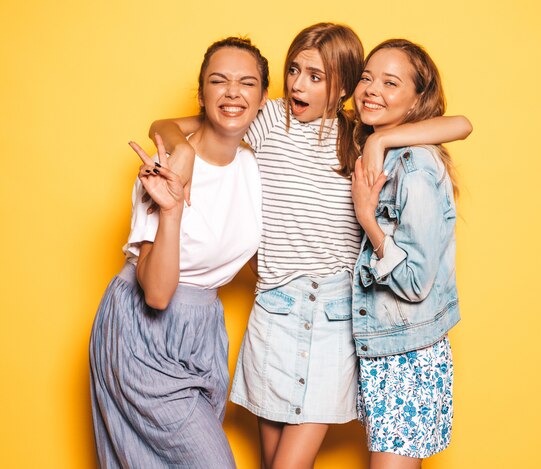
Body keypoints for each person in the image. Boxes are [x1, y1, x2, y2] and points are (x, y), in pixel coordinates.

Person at [150, 23, 471, 469]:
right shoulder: (268, 119)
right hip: (274, 310)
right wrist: (178, 149)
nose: (298, 83)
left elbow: (460, 124)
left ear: (341, 87)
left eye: (316, 77)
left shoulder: (357, 135)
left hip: (335, 314)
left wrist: (381, 138)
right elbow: (167, 126)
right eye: (295, 70)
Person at [89, 37, 269, 468]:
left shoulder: (252, 166)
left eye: (246, 83)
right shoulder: (165, 167)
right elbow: (156, 294)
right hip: (141, 332)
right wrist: (170, 209)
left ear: (263, 99)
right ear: (202, 93)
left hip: (202, 334)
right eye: (218, 81)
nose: (232, 92)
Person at [350, 39, 462, 469]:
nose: (371, 89)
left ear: (418, 99)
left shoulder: (413, 167)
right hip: (389, 346)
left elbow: (416, 283)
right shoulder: (381, 147)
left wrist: (369, 221)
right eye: (366, 78)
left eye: (390, 83)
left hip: (409, 353)